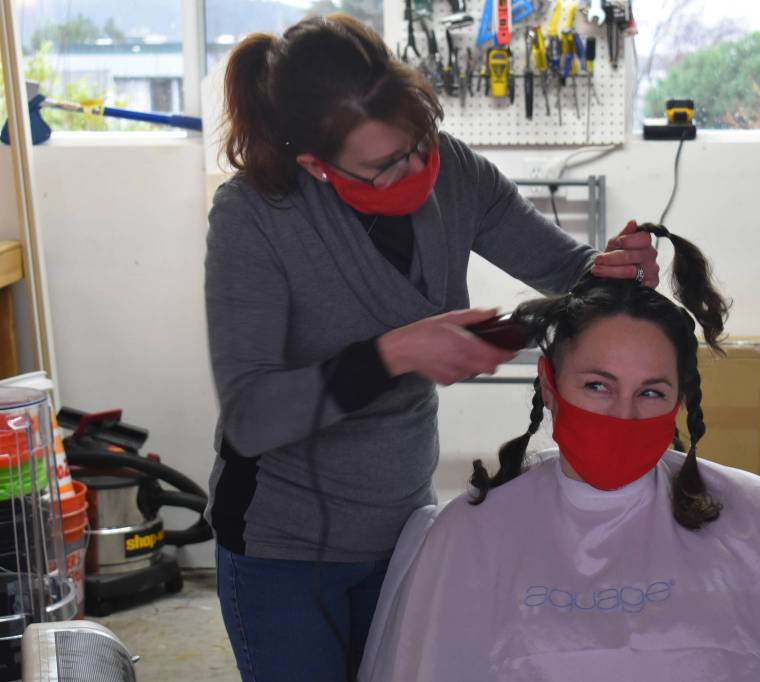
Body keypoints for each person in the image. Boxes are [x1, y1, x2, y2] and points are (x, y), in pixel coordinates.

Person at [203, 12, 660, 682]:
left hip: (403, 526)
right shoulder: (255, 218)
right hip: (283, 546)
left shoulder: (456, 175)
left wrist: (620, 270)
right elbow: (250, 416)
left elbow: (569, 271)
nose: (417, 170)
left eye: (422, 143)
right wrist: (394, 354)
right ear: (317, 166)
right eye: (385, 165)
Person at [358, 224, 760, 682]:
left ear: (680, 401)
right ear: (549, 386)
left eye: (650, 392)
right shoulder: (467, 539)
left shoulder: (754, 519)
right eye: (597, 386)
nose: (622, 416)